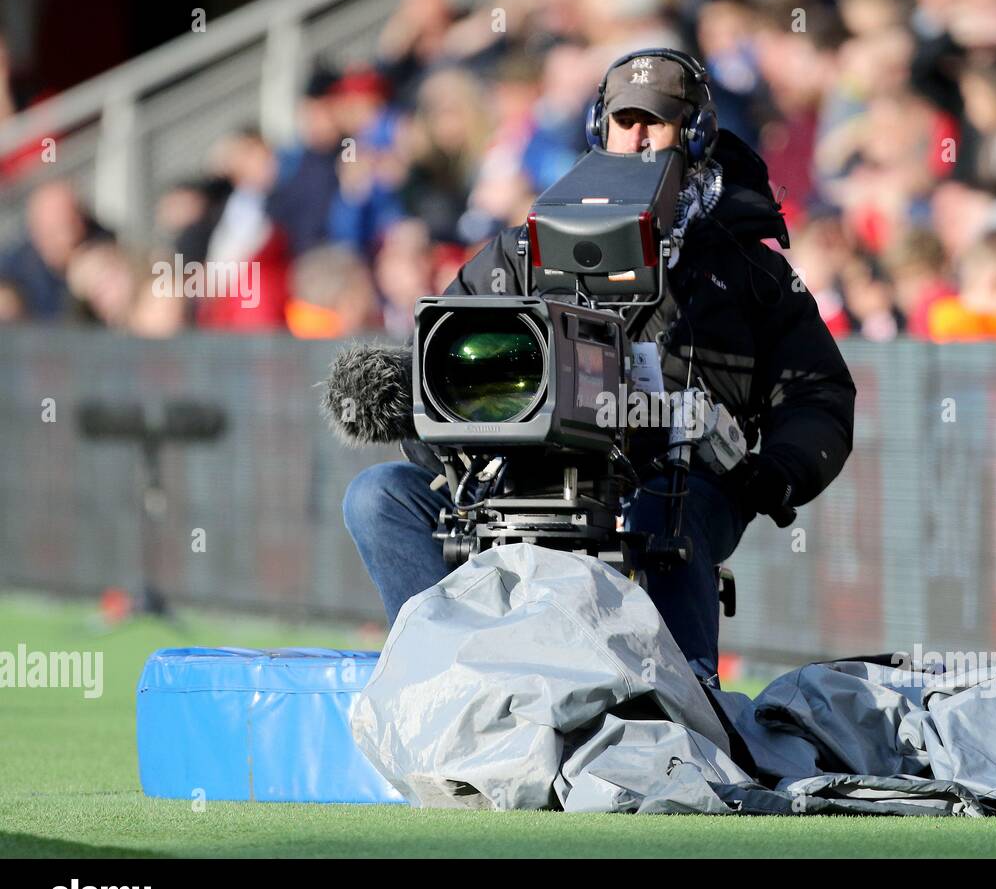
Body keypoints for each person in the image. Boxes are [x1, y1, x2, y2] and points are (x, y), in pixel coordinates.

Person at [341, 48, 856, 682]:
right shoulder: (521, 249)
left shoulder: (748, 268)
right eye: (625, 119)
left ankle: (685, 701)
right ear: (599, 127)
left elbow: (820, 392)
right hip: (520, 477)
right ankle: (440, 684)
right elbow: (446, 357)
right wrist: (413, 409)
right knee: (378, 495)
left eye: (657, 122)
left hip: (678, 480)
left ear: (695, 136)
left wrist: (774, 473)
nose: (637, 136)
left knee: (663, 509)